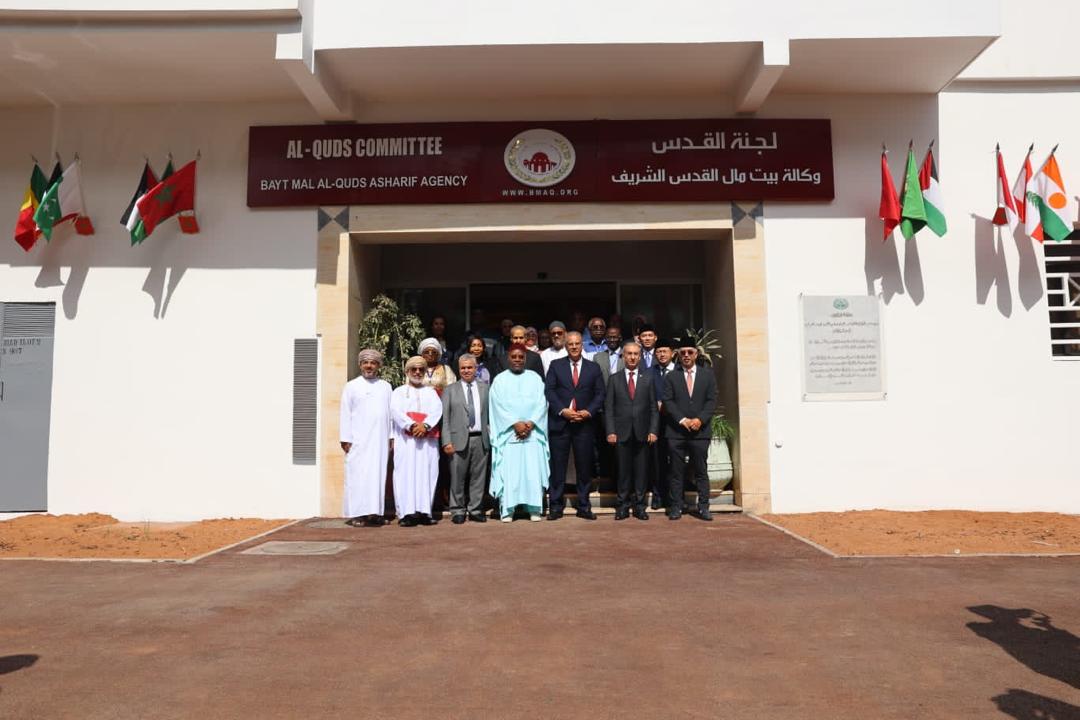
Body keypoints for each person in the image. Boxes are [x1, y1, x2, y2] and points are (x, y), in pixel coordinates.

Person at [544, 331, 605, 521]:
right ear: (565, 346)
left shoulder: (593, 368)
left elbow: (600, 393)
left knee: (584, 467)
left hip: (584, 424)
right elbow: (549, 391)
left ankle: (584, 506)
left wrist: (589, 411)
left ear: (582, 345)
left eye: (577, 343)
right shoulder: (556, 365)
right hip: (561, 423)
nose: (574, 347)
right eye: (570, 344)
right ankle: (556, 506)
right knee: (558, 467)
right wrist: (562, 410)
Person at [488, 345, 549, 522]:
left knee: (532, 472)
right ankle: (508, 509)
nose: (517, 360)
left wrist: (530, 424)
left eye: (520, 357)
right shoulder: (499, 380)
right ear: (508, 358)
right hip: (509, 435)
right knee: (510, 473)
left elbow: (542, 403)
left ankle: (534, 508)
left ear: (525, 359)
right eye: (514, 356)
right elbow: (497, 406)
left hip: (532, 435)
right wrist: (515, 423)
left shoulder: (535, 378)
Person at [661, 342, 719, 521]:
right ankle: (676, 506)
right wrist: (683, 420)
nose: (686, 355)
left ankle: (703, 507)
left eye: (690, 352)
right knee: (676, 472)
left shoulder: (707, 375)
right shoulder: (671, 376)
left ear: (696, 354)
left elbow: (712, 400)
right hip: (676, 432)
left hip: (700, 433)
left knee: (701, 471)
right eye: (683, 352)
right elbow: (668, 401)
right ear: (678, 355)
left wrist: (700, 420)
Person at [605, 342, 659, 521]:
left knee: (641, 472)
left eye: (636, 354)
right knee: (623, 472)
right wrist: (610, 431)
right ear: (623, 356)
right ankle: (622, 506)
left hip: (643, 433)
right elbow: (609, 408)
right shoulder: (614, 379)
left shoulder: (647, 379)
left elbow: (653, 407)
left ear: (640, 356)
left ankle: (640, 506)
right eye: (629, 354)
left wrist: (653, 430)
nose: (632, 357)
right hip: (621, 433)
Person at [339, 349, 393, 527]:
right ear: (360, 364)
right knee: (357, 476)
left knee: (377, 476)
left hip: (379, 440)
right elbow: (345, 413)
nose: (369, 366)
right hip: (358, 440)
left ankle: (375, 513)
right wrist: (345, 438)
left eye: (373, 363)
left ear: (379, 366)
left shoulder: (386, 386)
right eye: (366, 362)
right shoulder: (351, 386)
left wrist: (391, 436)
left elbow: (390, 414)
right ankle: (357, 514)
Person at [390, 356, 444, 526]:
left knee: (428, 473)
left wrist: (425, 425)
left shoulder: (431, 391)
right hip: (406, 441)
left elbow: (437, 410)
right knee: (405, 474)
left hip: (427, 441)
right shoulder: (398, 392)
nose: (418, 372)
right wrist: (412, 425)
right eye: (414, 369)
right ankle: (406, 513)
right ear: (407, 372)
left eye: (421, 369)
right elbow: (396, 411)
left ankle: (424, 511)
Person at [442, 355, 491, 524]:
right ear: (458, 369)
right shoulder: (450, 390)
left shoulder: (485, 388)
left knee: (478, 477)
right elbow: (446, 419)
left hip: (480, 438)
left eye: (470, 367)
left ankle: (476, 509)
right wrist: (446, 441)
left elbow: (490, 415)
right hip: (458, 440)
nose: (466, 371)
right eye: (463, 368)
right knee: (457, 477)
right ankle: (457, 510)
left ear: (476, 368)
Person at [649, 338, 678, 511]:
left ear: (672, 353)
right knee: (657, 461)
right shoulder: (649, 372)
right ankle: (658, 496)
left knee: (675, 460)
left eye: (664, 351)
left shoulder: (680, 370)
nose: (661, 354)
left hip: (676, 423)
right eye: (658, 352)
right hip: (656, 423)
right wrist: (656, 404)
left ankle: (675, 497)